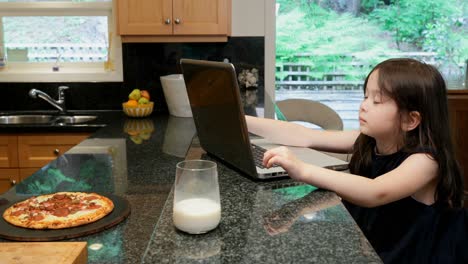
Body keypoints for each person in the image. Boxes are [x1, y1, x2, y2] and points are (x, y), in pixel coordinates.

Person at [246, 58, 467, 263]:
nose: (364, 105)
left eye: (377, 100)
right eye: (365, 96)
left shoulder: (426, 161)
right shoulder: (370, 141)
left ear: (411, 120)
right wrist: (242, 120)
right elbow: (305, 136)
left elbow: (375, 191)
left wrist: (303, 170)